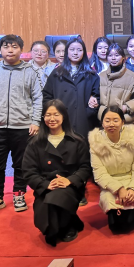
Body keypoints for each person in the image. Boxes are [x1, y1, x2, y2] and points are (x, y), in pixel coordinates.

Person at [0, 34, 42, 215]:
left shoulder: (30, 72)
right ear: (0, 50)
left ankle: (19, 194)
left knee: (21, 164)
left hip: (23, 127)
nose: (10, 50)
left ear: (21, 50)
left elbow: (38, 99)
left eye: (14, 46)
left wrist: (35, 121)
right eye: (6, 46)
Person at [22, 99, 91, 246]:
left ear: (63, 116)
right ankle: (68, 222)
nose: (52, 118)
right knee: (44, 213)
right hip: (45, 186)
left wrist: (69, 180)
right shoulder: (35, 143)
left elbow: (85, 167)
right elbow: (28, 171)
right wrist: (45, 184)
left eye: (56, 114)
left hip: (70, 186)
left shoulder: (77, 141)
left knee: (55, 200)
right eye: (48, 115)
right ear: (43, 117)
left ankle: (66, 226)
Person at [89, 106, 134, 233]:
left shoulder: (133, 140)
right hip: (111, 185)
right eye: (107, 120)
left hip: (131, 180)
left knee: (130, 223)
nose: (111, 124)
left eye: (115, 120)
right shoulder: (96, 143)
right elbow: (99, 174)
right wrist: (119, 189)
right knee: (116, 226)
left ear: (122, 122)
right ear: (102, 123)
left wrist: (133, 189)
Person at [43, 37, 100, 139]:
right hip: (60, 121)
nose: (75, 53)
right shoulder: (56, 73)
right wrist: (53, 114)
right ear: (67, 52)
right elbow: (47, 96)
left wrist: (89, 111)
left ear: (84, 52)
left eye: (79, 50)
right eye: (72, 49)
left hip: (83, 122)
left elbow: (98, 96)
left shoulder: (91, 74)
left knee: (82, 147)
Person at [98, 44, 134, 125]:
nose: (113, 58)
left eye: (117, 55)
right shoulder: (101, 76)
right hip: (104, 122)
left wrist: (126, 107)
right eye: (110, 55)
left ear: (123, 57)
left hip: (124, 122)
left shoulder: (132, 77)